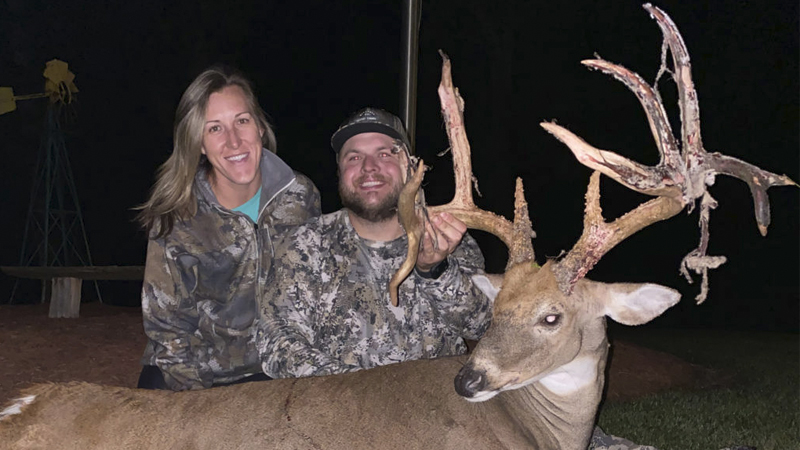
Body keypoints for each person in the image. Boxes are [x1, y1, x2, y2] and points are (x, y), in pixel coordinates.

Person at [257, 107, 493, 378]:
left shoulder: (447, 238)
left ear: (410, 168)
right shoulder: (305, 245)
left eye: (384, 154)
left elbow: (483, 326)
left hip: (436, 401)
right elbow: (277, 343)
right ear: (340, 171)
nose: (369, 167)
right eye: (354, 157)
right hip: (341, 401)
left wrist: (436, 271)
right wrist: (362, 390)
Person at [135, 66, 320, 391]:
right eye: (215, 128)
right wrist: (202, 405)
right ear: (199, 144)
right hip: (197, 374)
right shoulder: (178, 218)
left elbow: (314, 294)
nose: (233, 141)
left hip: (275, 368)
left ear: (260, 127)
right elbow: (168, 330)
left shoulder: (300, 197)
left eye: (242, 121)